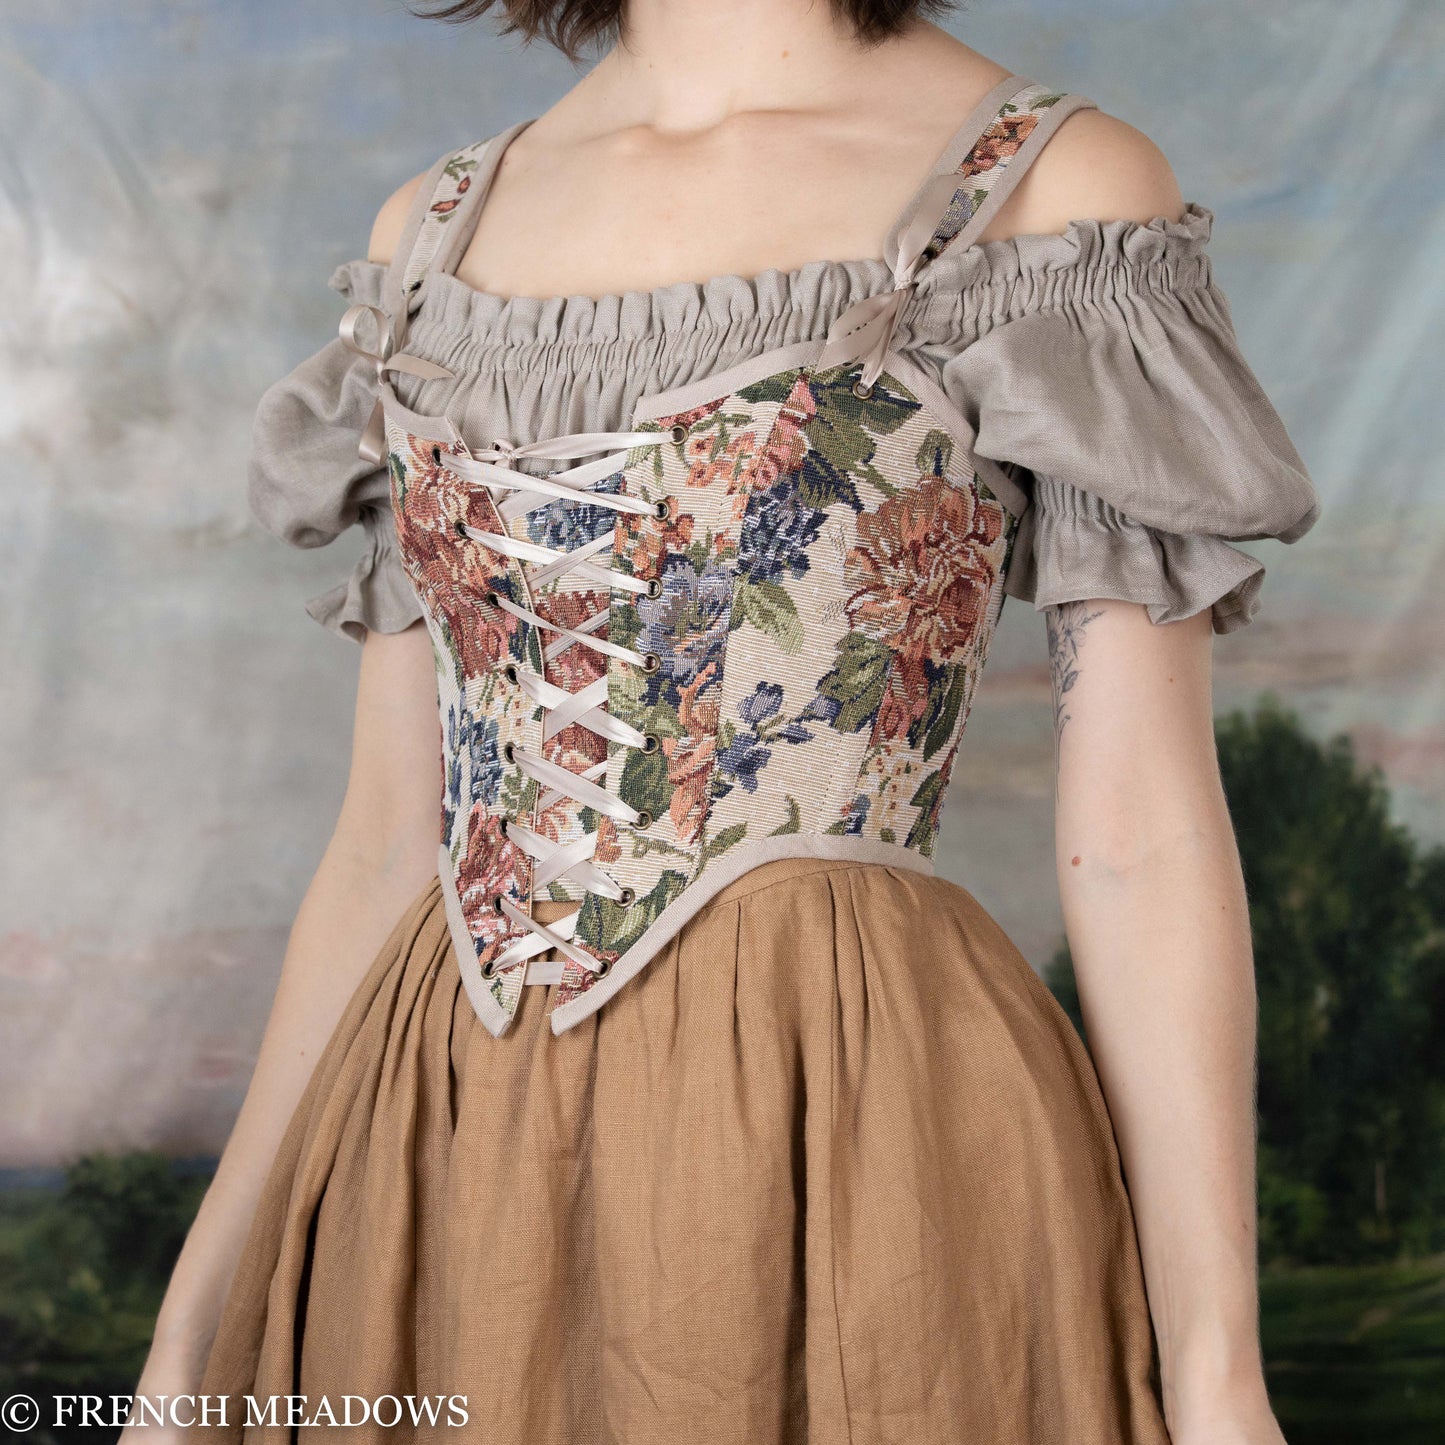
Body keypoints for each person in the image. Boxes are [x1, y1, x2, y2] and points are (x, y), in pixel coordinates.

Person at [127, 3, 1320, 1442]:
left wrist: (1214, 1373)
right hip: (446, 1148)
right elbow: (391, 837)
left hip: (849, 1131)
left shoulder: (1050, 189)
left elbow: (1137, 834)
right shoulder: (426, 238)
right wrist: (190, 1336)